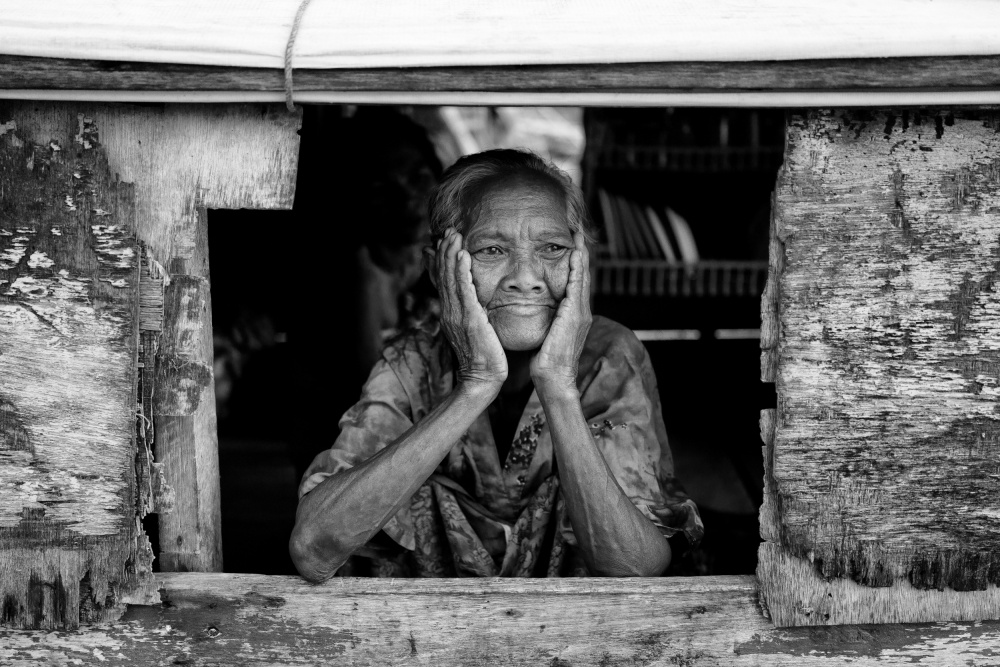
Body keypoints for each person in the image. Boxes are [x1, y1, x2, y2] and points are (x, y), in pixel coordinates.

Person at [290, 149, 702, 581]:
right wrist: (476, 385)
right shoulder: (412, 361)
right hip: (426, 636)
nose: (525, 276)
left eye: (553, 248)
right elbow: (314, 548)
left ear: (581, 263)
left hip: (578, 636)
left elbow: (637, 567)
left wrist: (559, 387)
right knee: (394, 481)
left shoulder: (609, 355)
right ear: (438, 270)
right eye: (491, 249)